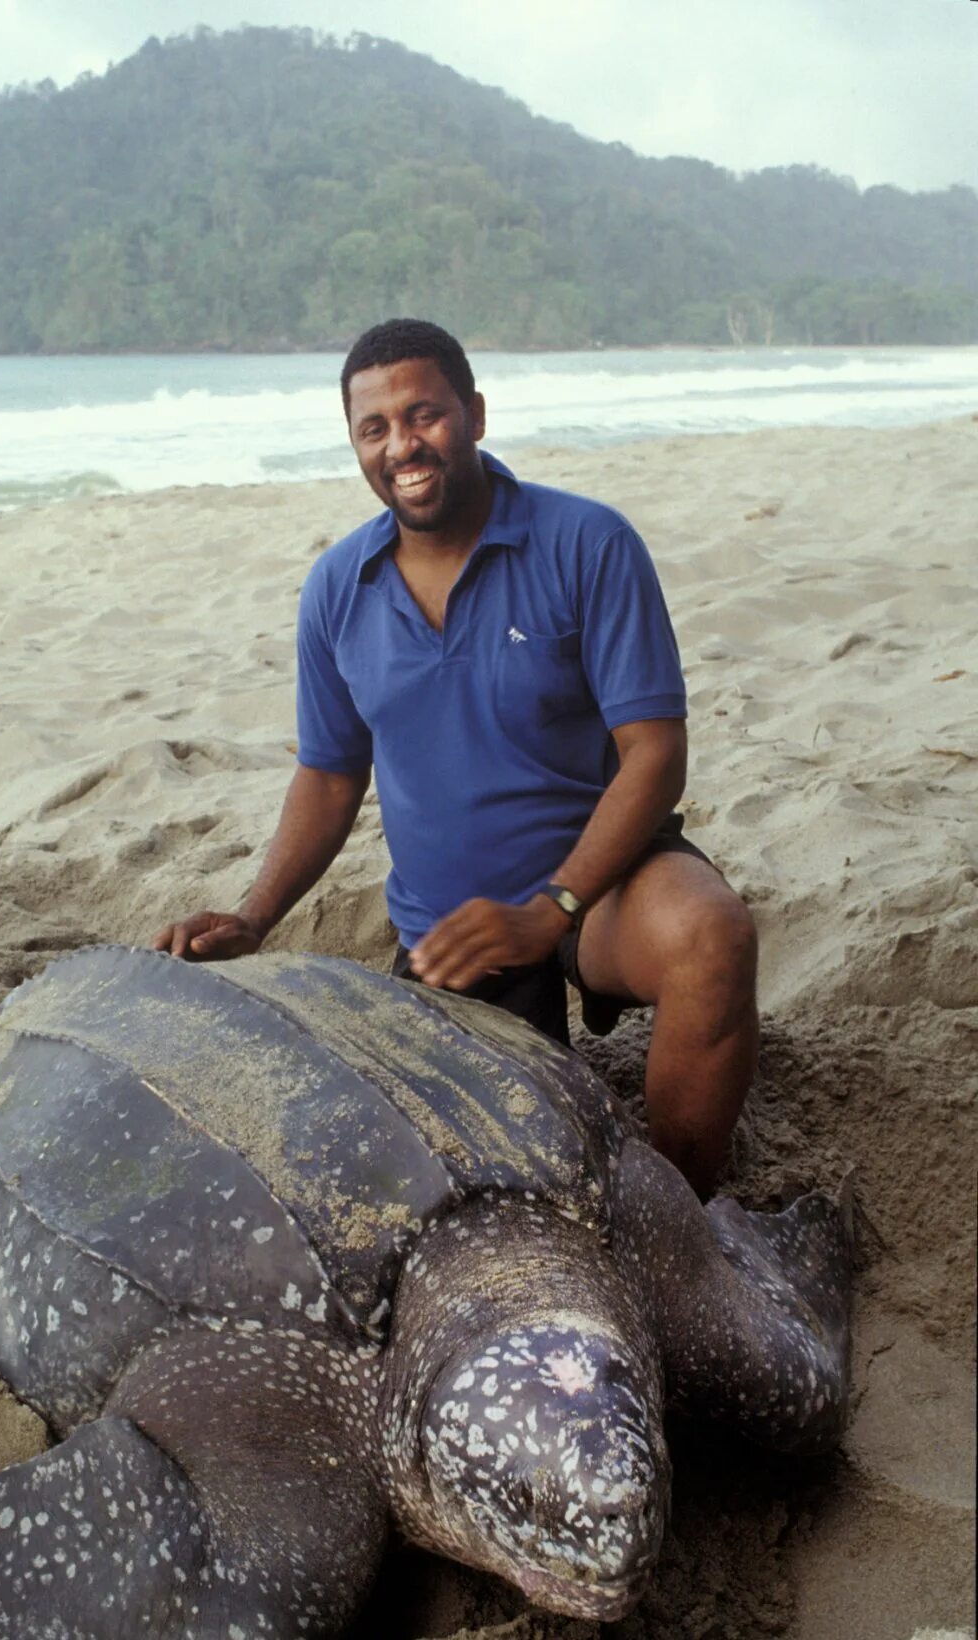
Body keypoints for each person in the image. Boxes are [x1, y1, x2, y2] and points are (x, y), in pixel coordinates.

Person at [154, 319, 758, 1200]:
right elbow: (329, 773)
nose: (403, 445)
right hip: (450, 934)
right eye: (375, 428)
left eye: (424, 414)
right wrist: (257, 915)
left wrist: (550, 908)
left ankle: (683, 1217)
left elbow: (656, 756)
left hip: (597, 892)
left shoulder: (587, 542)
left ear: (473, 413)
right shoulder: (337, 588)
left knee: (715, 936)